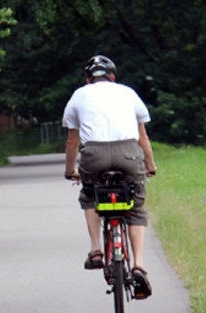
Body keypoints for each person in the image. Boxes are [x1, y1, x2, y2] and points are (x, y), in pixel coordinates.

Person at [62, 55, 158, 299]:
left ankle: (96, 250)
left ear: (87, 80)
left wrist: (70, 170)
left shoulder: (78, 96)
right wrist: (150, 164)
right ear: (113, 77)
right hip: (129, 153)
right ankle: (139, 265)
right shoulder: (128, 93)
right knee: (136, 206)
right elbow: (142, 137)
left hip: (94, 154)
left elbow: (72, 140)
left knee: (90, 196)